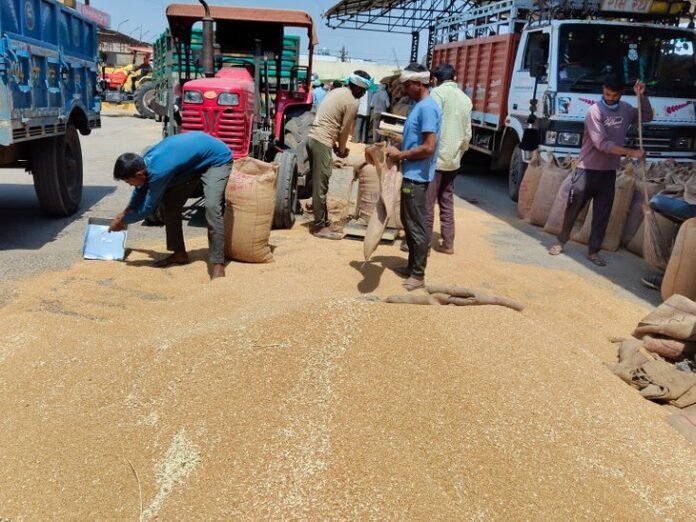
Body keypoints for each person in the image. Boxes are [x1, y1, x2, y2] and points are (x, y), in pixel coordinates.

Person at [549, 74, 652, 266]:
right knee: (574, 208)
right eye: (607, 93)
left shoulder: (626, 109)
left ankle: (594, 251)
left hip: (608, 172)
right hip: (586, 169)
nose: (610, 97)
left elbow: (646, 117)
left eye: (614, 95)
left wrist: (642, 96)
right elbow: (602, 144)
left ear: (621, 93)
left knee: (602, 213)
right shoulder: (594, 111)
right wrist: (631, 152)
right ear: (602, 90)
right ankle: (561, 242)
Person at [109, 132, 232, 280]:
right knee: (171, 204)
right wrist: (126, 210)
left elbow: (148, 208)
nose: (129, 185)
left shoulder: (158, 171)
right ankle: (179, 253)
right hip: (193, 164)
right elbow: (139, 189)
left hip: (217, 160)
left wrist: (123, 221)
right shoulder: (145, 160)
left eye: (129, 181)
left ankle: (218, 263)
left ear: (140, 174)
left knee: (212, 206)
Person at [385, 63, 441, 290]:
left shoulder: (427, 108)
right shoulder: (419, 106)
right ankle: (411, 266)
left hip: (417, 178)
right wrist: (400, 145)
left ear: (419, 83)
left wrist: (401, 155)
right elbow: (416, 140)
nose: (405, 89)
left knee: (416, 225)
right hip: (412, 173)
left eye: (408, 85)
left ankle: (418, 274)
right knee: (408, 223)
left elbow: (428, 147)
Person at [306, 70, 372, 239]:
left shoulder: (336, 91)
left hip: (314, 138)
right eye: (363, 90)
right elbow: (344, 130)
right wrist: (342, 150)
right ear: (357, 86)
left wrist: (335, 146)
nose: (364, 94)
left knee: (319, 182)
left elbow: (330, 120)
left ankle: (323, 220)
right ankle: (319, 226)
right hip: (322, 141)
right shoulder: (351, 102)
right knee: (321, 185)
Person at [426, 63, 472, 255]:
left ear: (436, 79)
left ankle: (424, 246)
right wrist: (459, 151)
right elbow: (468, 133)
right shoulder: (465, 99)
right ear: (454, 78)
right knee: (446, 201)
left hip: (436, 158)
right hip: (454, 159)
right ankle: (448, 243)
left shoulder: (436, 94)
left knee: (427, 203)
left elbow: (431, 125)